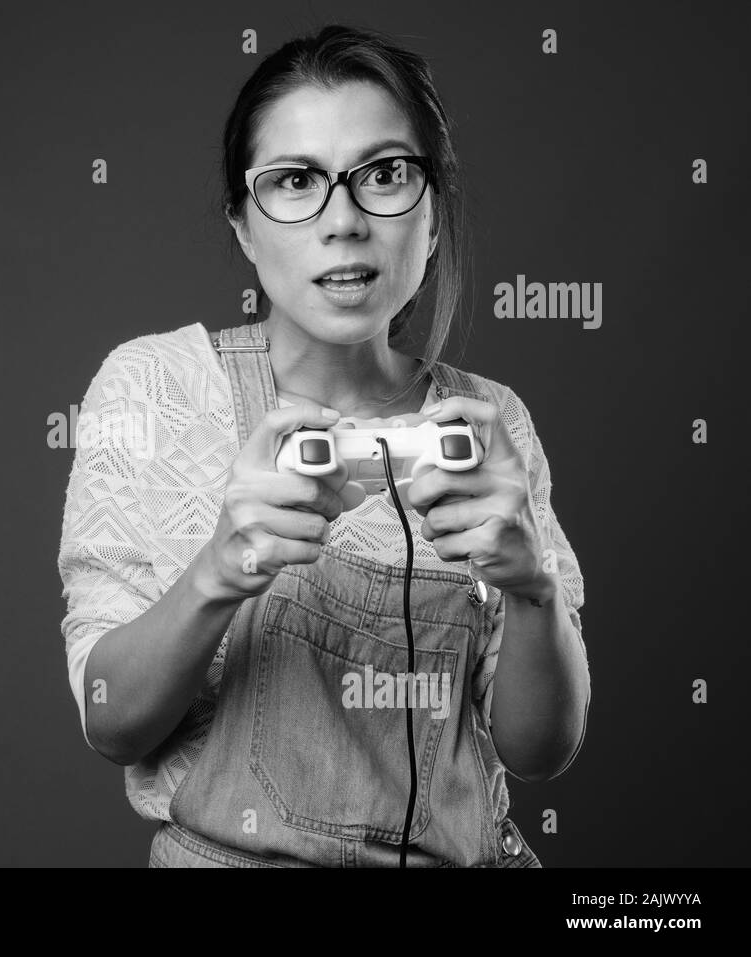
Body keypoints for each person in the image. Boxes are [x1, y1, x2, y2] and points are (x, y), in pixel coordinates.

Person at [57, 24, 590, 868]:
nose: (343, 221)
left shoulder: (492, 420)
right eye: (295, 181)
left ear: (434, 212)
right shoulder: (157, 387)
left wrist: (533, 590)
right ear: (242, 225)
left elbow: (541, 750)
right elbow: (109, 720)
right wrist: (221, 569)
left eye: (384, 174)